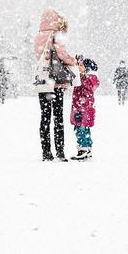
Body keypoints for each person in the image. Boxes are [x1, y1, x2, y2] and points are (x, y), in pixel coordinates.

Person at [34, 9, 78, 162]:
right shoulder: (56, 35)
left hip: (43, 79)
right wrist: (73, 61)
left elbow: (40, 55)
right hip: (56, 82)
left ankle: (46, 152)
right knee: (58, 116)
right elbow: (62, 55)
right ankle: (60, 151)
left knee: (44, 116)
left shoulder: (38, 36)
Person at [70, 58, 100, 161]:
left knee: (80, 129)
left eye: (81, 65)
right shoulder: (86, 78)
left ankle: (83, 150)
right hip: (83, 109)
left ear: (87, 69)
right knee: (84, 129)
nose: (78, 67)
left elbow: (86, 94)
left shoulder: (86, 79)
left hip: (82, 109)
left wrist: (81, 105)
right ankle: (87, 150)